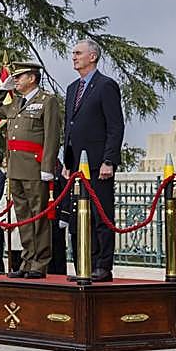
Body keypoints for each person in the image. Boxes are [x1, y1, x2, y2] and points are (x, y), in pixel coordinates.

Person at [0, 61, 60, 279]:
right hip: (16, 169)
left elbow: (52, 135)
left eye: (19, 77)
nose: (16, 80)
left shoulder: (47, 101)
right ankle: (28, 260)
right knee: (23, 218)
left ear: (32, 78)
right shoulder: (15, 102)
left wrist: (47, 167)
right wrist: (2, 89)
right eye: (15, 77)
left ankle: (40, 262)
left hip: (35, 167)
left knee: (38, 217)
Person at [63, 40, 124, 282]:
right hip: (77, 166)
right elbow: (70, 127)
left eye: (78, 53)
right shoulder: (71, 89)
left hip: (99, 165)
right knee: (79, 217)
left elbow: (115, 126)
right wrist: (67, 162)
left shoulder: (105, 86)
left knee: (100, 216)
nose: (74, 57)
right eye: (73, 53)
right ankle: (83, 265)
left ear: (93, 56)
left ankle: (102, 265)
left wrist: (109, 159)